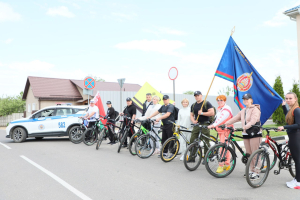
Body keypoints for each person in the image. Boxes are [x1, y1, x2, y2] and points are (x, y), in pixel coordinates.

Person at [225, 93, 262, 179]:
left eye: (247, 99)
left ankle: (256, 172)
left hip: (254, 133)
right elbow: (235, 118)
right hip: (246, 134)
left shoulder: (255, 109)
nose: (245, 100)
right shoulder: (243, 111)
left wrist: (245, 127)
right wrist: (225, 124)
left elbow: (253, 120)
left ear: (251, 100)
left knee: (254, 153)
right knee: (249, 153)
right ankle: (251, 170)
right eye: (244, 99)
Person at [278, 92, 300, 189]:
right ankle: (296, 179)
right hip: (293, 136)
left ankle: (298, 182)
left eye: (290, 98)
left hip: (296, 136)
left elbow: (298, 125)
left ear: (295, 99)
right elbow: (288, 116)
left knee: (297, 160)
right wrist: (283, 107)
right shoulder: (292, 109)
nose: (288, 100)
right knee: (296, 159)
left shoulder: (297, 110)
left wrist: (284, 127)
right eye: (286, 98)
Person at [207, 95, 233, 173]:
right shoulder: (220, 109)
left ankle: (221, 165)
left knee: (222, 148)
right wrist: (213, 124)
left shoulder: (226, 109)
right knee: (225, 148)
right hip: (221, 131)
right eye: (218, 100)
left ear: (225, 101)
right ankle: (227, 164)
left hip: (226, 130)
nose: (219, 102)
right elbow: (216, 119)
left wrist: (213, 125)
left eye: (221, 100)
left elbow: (221, 119)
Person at [190, 91, 214, 163]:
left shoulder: (206, 103)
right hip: (197, 125)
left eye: (198, 95)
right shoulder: (193, 105)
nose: (197, 97)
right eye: (195, 96)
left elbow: (212, 112)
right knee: (192, 140)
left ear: (201, 96)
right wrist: (193, 121)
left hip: (205, 124)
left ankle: (206, 158)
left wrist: (202, 113)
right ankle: (192, 157)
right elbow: (191, 115)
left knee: (205, 141)